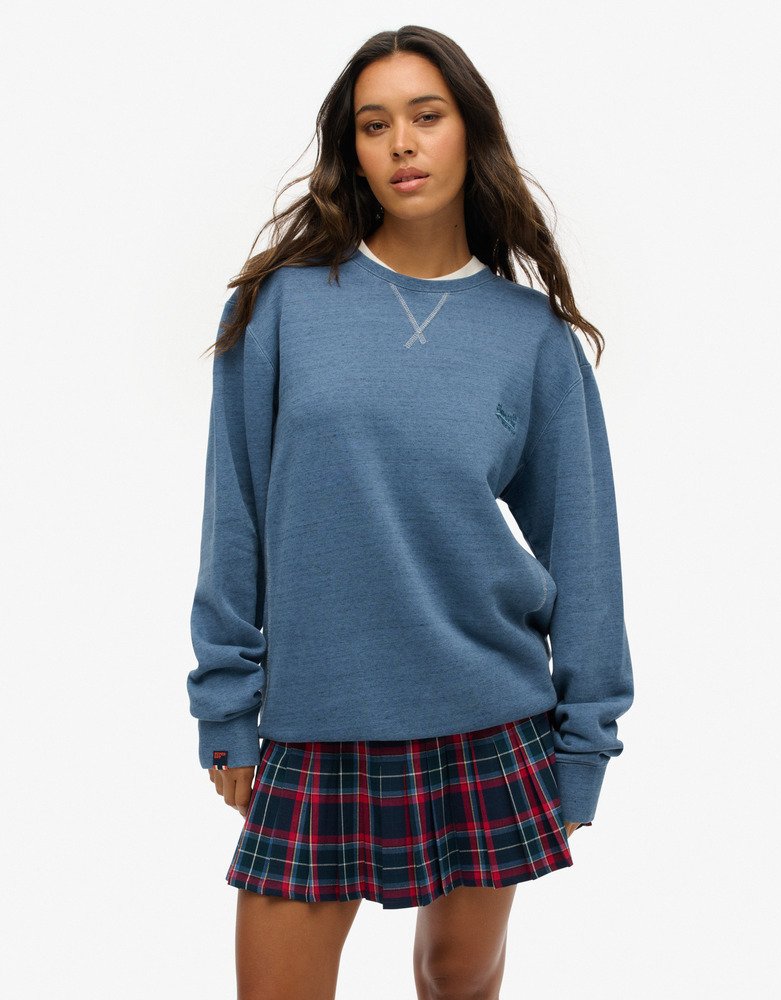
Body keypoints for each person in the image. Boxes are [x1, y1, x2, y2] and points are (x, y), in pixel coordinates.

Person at [187, 24, 634, 1000]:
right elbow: (235, 516)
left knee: (455, 976)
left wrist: (584, 747)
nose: (401, 143)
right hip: (315, 717)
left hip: (489, 719)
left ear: (469, 131)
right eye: (373, 123)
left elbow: (584, 550)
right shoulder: (277, 309)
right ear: (351, 149)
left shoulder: (531, 338)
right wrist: (226, 705)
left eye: (425, 116)